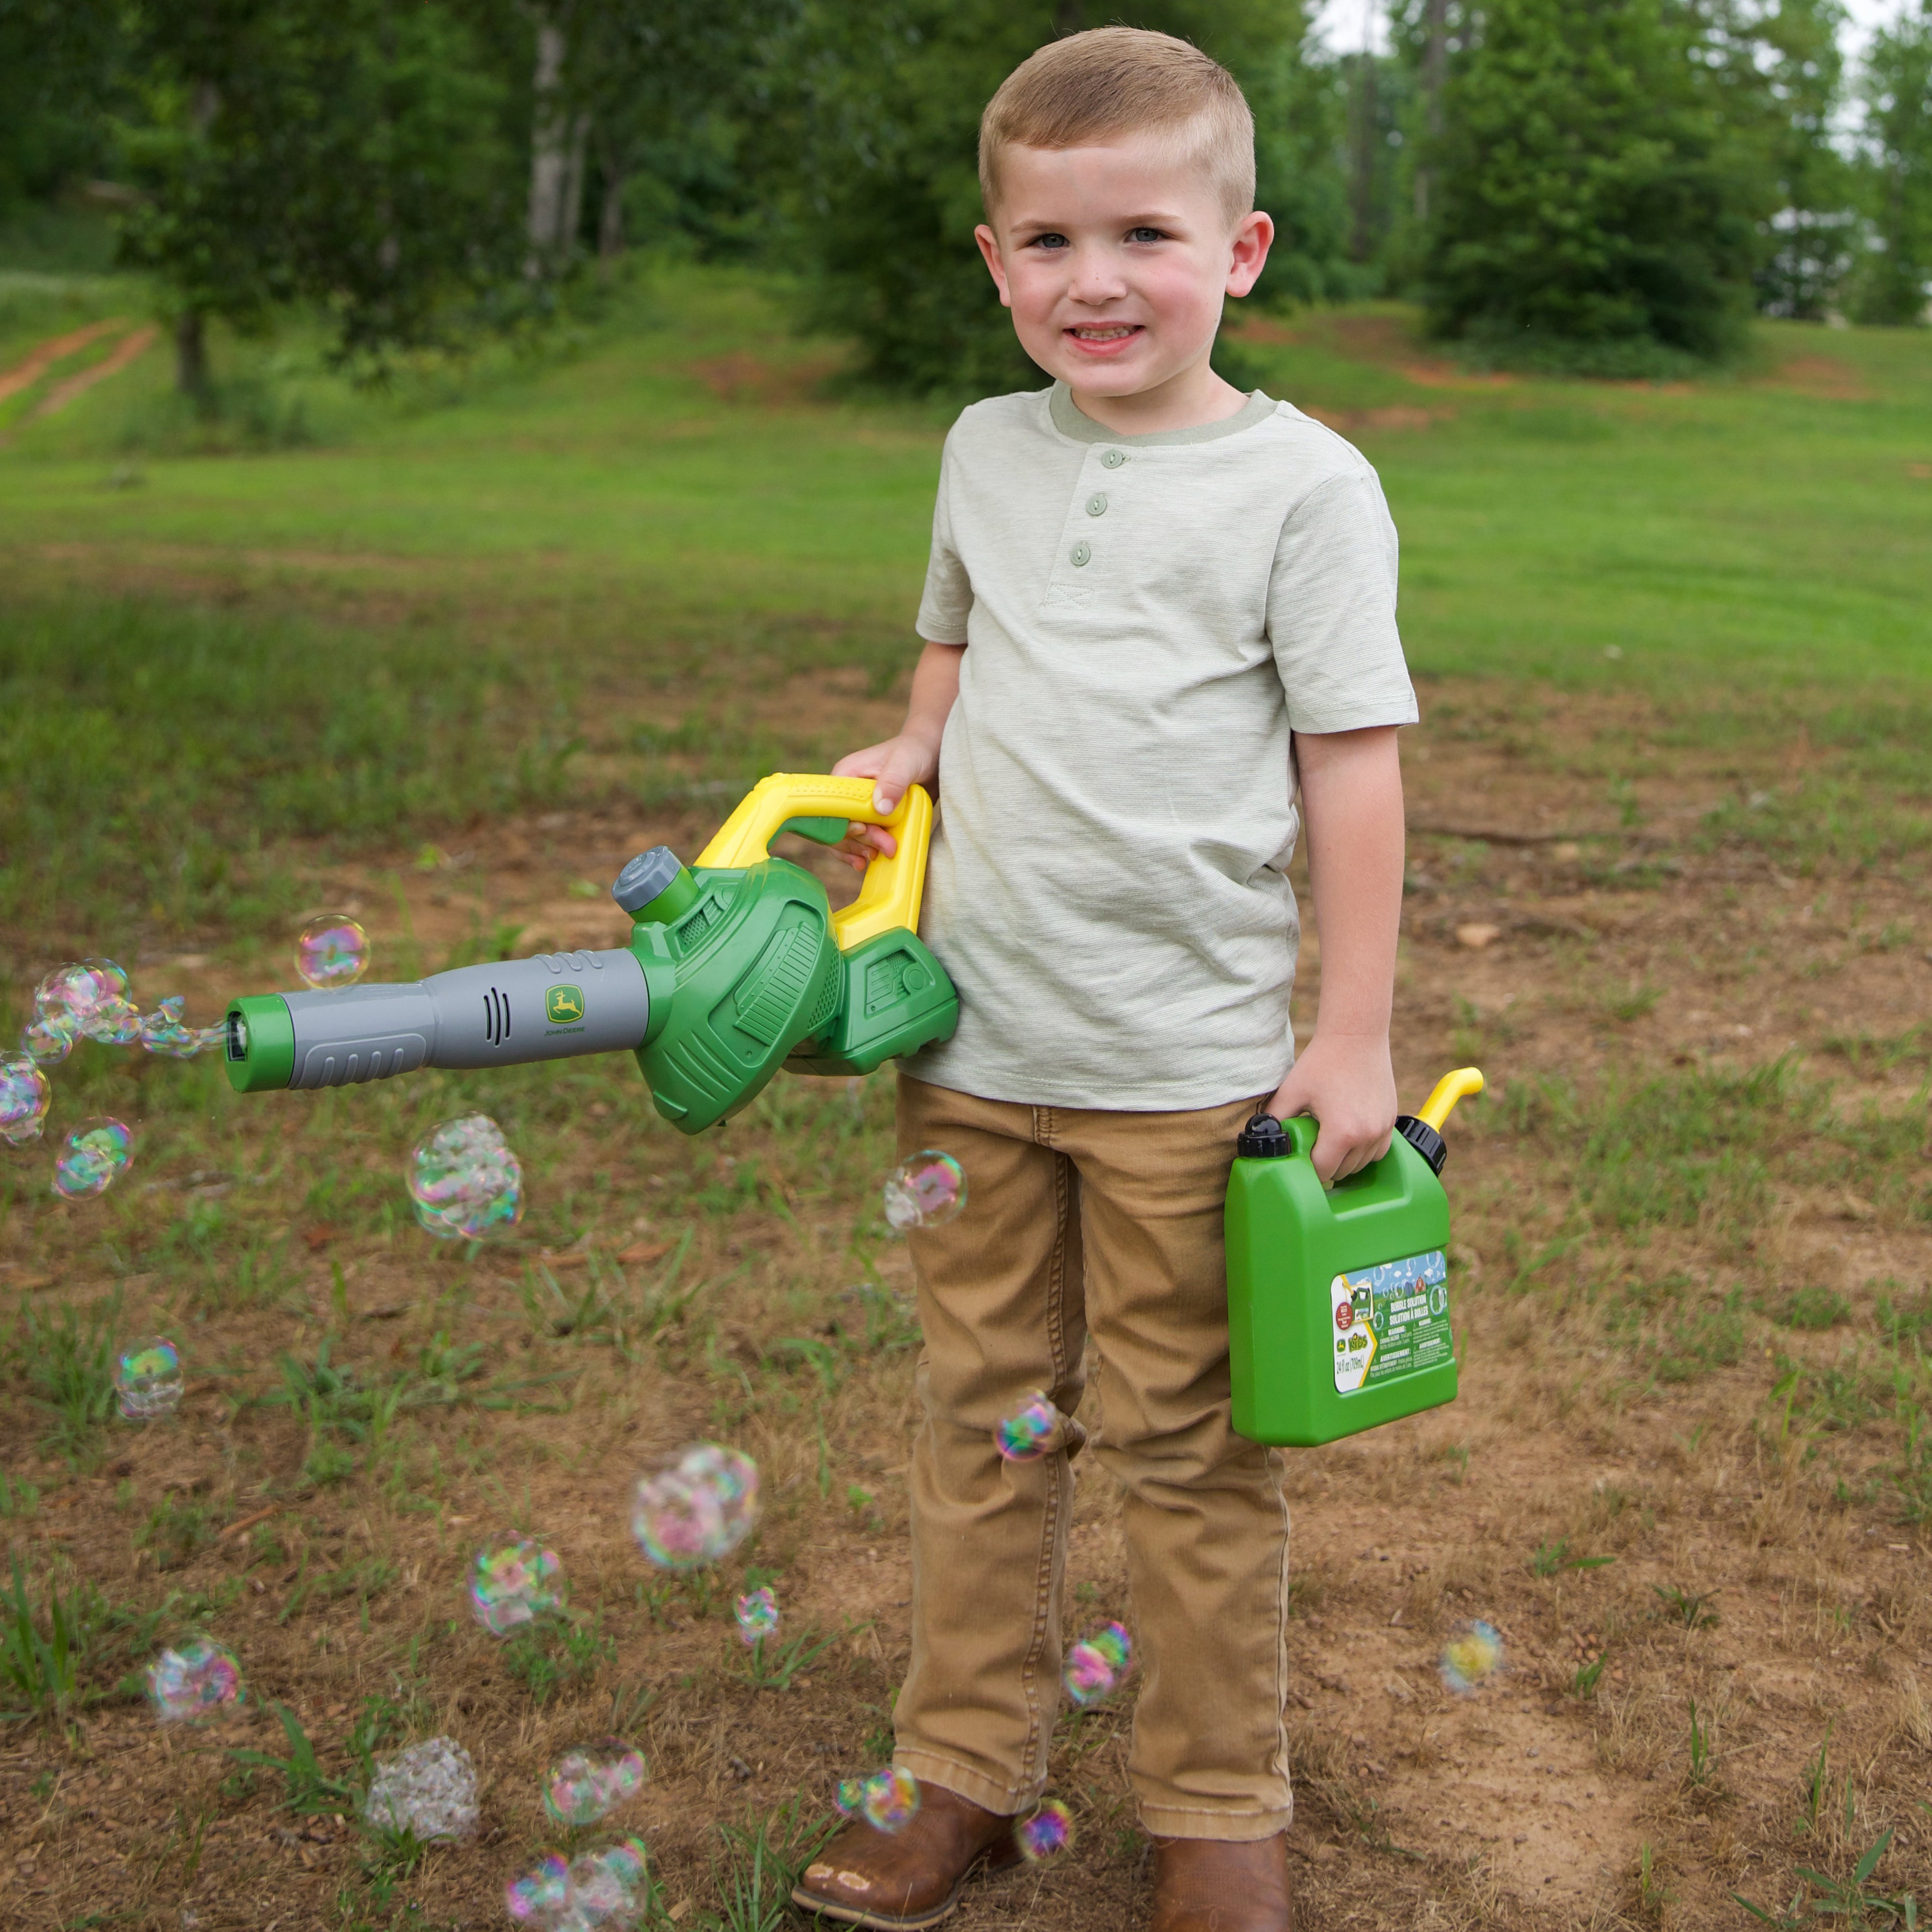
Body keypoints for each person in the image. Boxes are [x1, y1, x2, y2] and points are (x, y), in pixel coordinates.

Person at [791, 27, 1416, 1932]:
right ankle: (962, 1773)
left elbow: (1353, 764)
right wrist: (909, 753)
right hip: (968, 1042)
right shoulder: (983, 450)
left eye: (1146, 233)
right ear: (996, 261)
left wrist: (1353, 1032)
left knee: (1196, 1448)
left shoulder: (1307, 488)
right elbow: (952, 644)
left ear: (1241, 251)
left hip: (1184, 1071)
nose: (1096, 280)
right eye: (1050, 242)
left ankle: (1218, 1811)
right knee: (982, 1415)